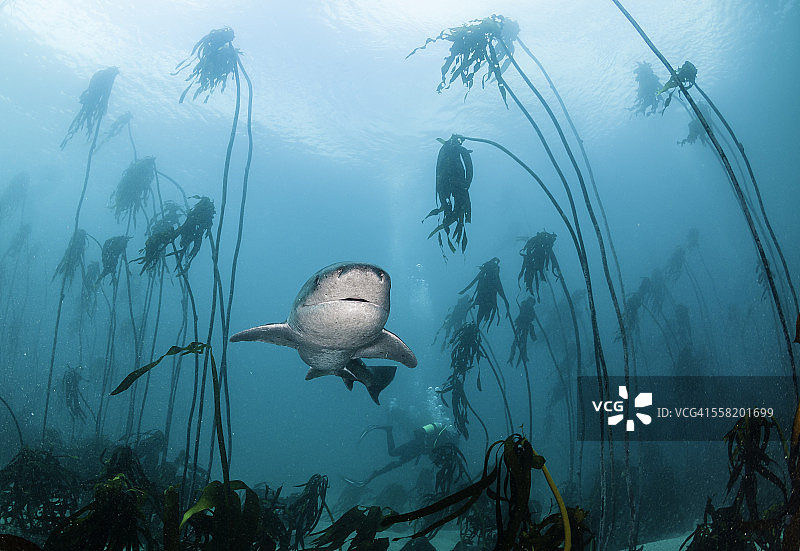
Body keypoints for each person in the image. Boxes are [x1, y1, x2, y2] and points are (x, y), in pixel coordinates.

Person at [344, 422, 451, 486]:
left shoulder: (441, 436)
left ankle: (388, 430)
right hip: (418, 447)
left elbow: (431, 451)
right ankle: (372, 476)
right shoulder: (444, 437)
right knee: (398, 461)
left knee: (393, 453)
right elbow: (431, 450)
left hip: (416, 445)